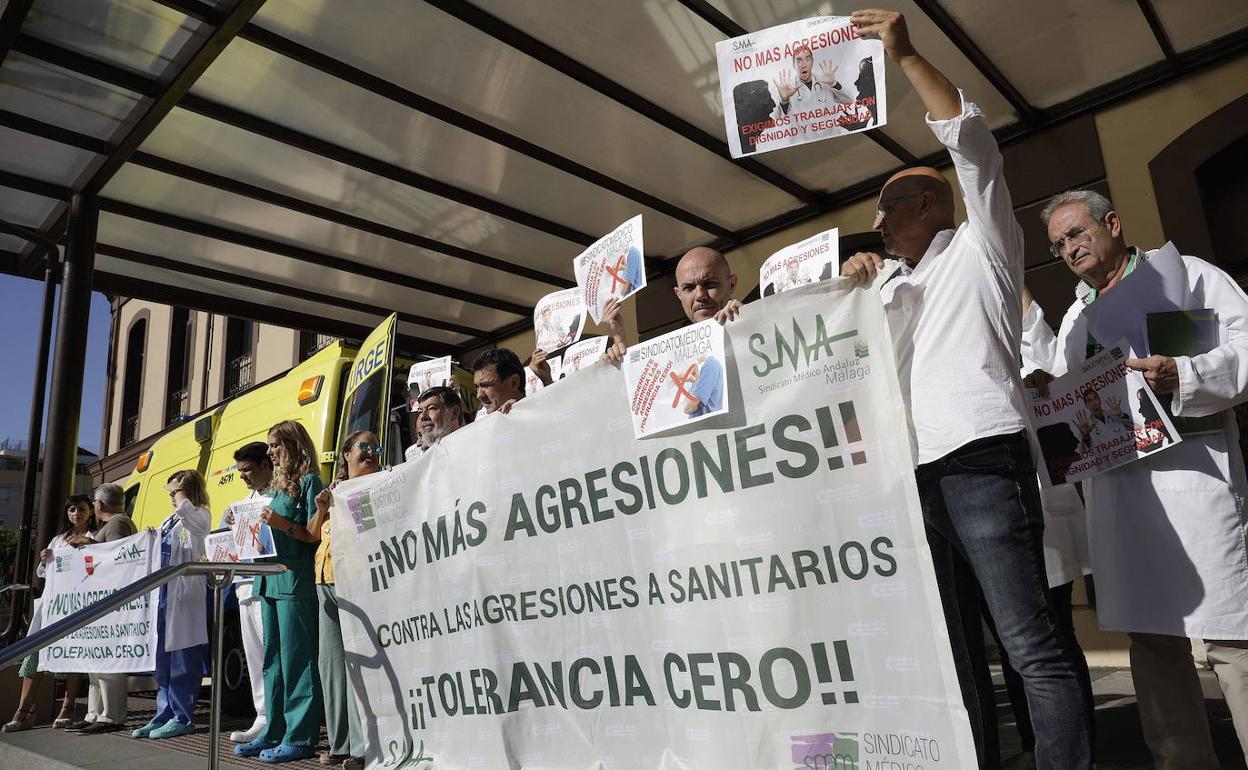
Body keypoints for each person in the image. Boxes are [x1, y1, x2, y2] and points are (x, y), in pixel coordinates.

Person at [839, 10, 1091, 769]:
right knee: (954, 653)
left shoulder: (981, 249)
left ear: (929, 205)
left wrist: (905, 55)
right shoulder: (888, 287)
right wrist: (853, 290)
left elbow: (973, 144)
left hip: (982, 459)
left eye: (885, 209)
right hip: (916, 476)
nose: (875, 225)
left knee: (1027, 645)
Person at [1026, 187, 1248, 769]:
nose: (1068, 249)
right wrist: (1048, 392)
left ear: (1114, 225)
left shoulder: (1189, 278)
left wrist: (1187, 371)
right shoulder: (1075, 319)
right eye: (1057, 246)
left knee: (1232, 645)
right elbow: (1066, 390)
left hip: (1191, 484)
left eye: (1076, 234)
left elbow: (1247, 350)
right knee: (1152, 644)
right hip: (1121, 500)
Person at [235, 420, 323, 763]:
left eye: (275, 445)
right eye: (270, 447)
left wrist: (280, 523)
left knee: (297, 660)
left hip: (294, 579)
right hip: (267, 579)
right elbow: (264, 529)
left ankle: (300, 736)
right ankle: (273, 731)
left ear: (293, 445)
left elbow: (312, 535)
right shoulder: (274, 485)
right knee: (272, 662)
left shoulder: (310, 481)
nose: (270, 452)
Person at [295, 431, 379, 770]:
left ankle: (362, 748)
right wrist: (321, 509)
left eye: (375, 448)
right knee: (331, 667)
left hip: (355, 581)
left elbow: (372, 529)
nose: (371, 453)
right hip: (323, 580)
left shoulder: (378, 485)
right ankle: (340, 742)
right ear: (346, 454)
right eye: (364, 447)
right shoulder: (333, 490)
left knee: (357, 664)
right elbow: (314, 533)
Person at [2, 495, 94, 732]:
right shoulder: (58, 540)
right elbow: (43, 573)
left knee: (73, 654)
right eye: (72, 509)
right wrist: (44, 559)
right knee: (35, 656)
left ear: (91, 511)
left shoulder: (94, 537)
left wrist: (89, 547)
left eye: (81, 509)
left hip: (76, 606)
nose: (76, 514)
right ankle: (23, 710)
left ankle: (68, 707)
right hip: (52, 607)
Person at [131, 470, 211, 740]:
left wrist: (183, 498)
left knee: (183, 659)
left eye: (174, 491)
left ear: (188, 491)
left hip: (184, 597)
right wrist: (153, 537)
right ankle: (163, 714)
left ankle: (183, 717)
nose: (170, 497)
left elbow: (191, 532)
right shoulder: (171, 519)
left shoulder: (199, 514)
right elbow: (170, 547)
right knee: (163, 660)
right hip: (164, 594)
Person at [69, 483, 136, 733]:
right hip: (103, 601)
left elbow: (119, 559)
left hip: (112, 601)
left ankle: (111, 715)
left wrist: (90, 545)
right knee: (96, 660)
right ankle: (95, 712)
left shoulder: (117, 524)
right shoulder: (112, 525)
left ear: (98, 505)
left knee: (107, 660)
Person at [601, 246, 742, 365]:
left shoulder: (756, 320)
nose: (700, 295)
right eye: (689, 288)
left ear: (732, 284)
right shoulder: (669, 349)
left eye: (710, 284)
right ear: (678, 294)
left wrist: (749, 320)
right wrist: (618, 345)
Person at [221, 441, 273, 743]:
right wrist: (228, 524)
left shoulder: (276, 497)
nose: (243, 476)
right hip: (244, 586)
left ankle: (276, 718)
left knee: (272, 657)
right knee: (254, 658)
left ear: (266, 465)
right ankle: (262, 717)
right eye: (240, 471)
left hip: (268, 586)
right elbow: (229, 545)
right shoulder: (243, 503)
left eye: (248, 470)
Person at [770, 44, 852, 121]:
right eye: (799, 61)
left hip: (831, 133)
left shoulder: (826, 81)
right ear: (793, 65)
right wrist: (784, 101)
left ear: (812, 62)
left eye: (808, 59)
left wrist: (834, 84)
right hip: (802, 135)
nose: (804, 65)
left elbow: (849, 100)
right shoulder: (787, 88)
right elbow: (777, 119)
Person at [472, 348, 527, 415]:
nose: (479, 395)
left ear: (514, 383)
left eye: (486, 385)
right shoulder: (482, 422)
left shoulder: (540, 414)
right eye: (477, 387)